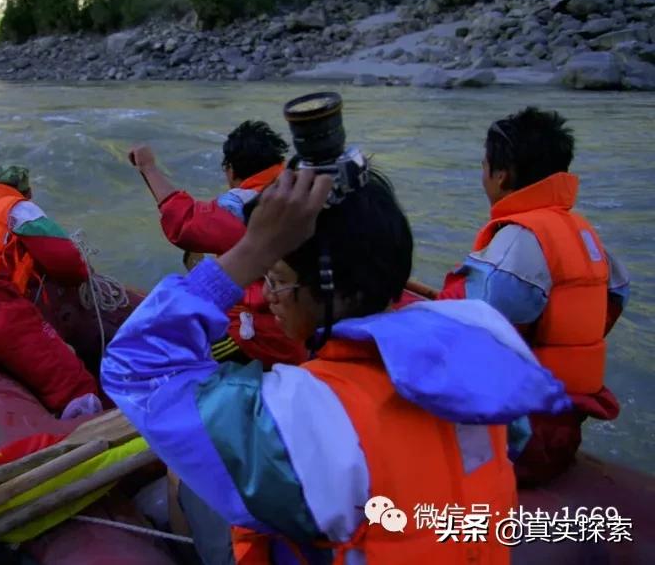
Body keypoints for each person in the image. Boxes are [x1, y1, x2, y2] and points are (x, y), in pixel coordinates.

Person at [102, 164, 571, 564]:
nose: (268, 294)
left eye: (276, 279)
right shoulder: (479, 341)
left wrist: (255, 248)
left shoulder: (304, 417)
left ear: (330, 290)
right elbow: (513, 437)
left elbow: (135, 365)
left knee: (186, 478)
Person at [438, 106, 630, 486]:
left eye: (484, 166)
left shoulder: (516, 245)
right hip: (565, 430)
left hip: (519, 439)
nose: (483, 176)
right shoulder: (586, 235)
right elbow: (616, 295)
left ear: (502, 175)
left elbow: (465, 328)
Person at [128, 120, 307, 367]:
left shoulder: (243, 209)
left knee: (166, 342)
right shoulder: (303, 193)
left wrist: (148, 168)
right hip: (301, 329)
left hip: (260, 341)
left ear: (231, 171)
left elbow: (183, 222)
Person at [0, 165, 101, 419]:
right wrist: (82, 273)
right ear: (28, 191)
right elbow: (65, 261)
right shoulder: (20, 209)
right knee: (76, 387)